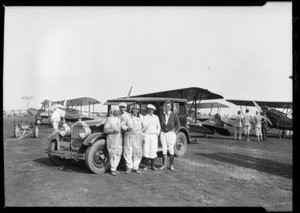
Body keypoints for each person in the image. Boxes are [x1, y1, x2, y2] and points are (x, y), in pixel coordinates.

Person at [121, 103, 144, 174]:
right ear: (132, 109)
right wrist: (127, 128)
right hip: (128, 136)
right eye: (134, 109)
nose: (135, 111)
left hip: (137, 137)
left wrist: (140, 131)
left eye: (137, 109)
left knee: (137, 151)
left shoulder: (141, 117)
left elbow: (145, 126)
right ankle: (129, 167)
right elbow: (122, 125)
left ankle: (136, 167)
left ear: (138, 110)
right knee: (128, 151)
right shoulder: (127, 117)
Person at [159, 100, 180, 171]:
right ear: (164, 107)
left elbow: (178, 124)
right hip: (163, 133)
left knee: (171, 149)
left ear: (170, 107)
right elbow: (159, 124)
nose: (166, 108)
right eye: (165, 106)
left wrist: (174, 130)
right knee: (164, 149)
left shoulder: (174, 114)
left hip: (171, 133)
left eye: (168, 106)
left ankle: (171, 165)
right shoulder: (161, 114)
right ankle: (163, 165)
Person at [103, 106, 122, 176]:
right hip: (112, 138)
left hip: (118, 138)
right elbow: (105, 130)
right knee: (112, 154)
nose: (117, 112)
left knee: (118, 153)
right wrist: (112, 131)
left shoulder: (119, 119)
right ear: (112, 111)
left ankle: (115, 167)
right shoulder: (109, 119)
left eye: (118, 111)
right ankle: (112, 169)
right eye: (115, 111)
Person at [142, 104, 161, 171]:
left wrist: (157, 134)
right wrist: (143, 136)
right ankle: (147, 165)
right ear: (147, 110)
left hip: (153, 135)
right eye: (149, 109)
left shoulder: (156, 117)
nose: (150, 111)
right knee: (146, 150)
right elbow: (143, 128)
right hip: (147, 135)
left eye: (152, 110)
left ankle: (152, 166)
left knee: (153, 150)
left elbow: (159, 127)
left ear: (153, 110)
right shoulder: (145, 117)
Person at [118, 102, 129, 171]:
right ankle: (118, 164)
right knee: (118, 149)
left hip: (126, 134)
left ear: (126, 108)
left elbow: (130, 125)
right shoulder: (117, 115)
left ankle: (126, 165)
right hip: (118, 135)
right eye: (121, 107)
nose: (122, 109)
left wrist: (124, 127)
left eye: (123, 107)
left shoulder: (128, 115)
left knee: (126, 150)